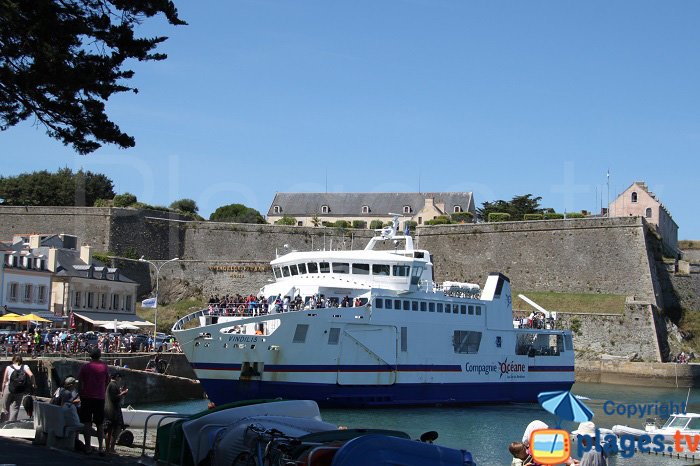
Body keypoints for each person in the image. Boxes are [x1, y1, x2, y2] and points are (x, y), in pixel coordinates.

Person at [78, 347, 109, 455]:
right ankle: (101, 447)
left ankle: (88, 447)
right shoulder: (104, 367)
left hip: (86, 397)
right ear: (100, 355)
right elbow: (107, 381)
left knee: (87, 423)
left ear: (90, 356)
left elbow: (80, 383)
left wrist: (81, 395)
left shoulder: (85, 367)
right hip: (99, 397)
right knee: (99, 424)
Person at [1, 355, 35, 422]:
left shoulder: (8, 367)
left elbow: (4, 381)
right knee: (15, 409)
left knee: (5, 408)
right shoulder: (25, 367)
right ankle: (11, 425)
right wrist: (34, 384)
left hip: (9, 389)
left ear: (13, 360)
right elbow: (31, 375)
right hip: (19, 390)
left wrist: (2, 391)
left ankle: (3, 424)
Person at [104, 372, 128, 454]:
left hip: (110, 410)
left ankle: (109, 449)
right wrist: (123, 393)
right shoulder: (113, 385)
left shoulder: (110, 385)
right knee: (114, 430)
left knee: (111, 430)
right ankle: (110, 449)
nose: (120, 379)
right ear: (117, 377)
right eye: (120, 377)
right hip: (113, 411)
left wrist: (120, 392)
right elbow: (114, 398)